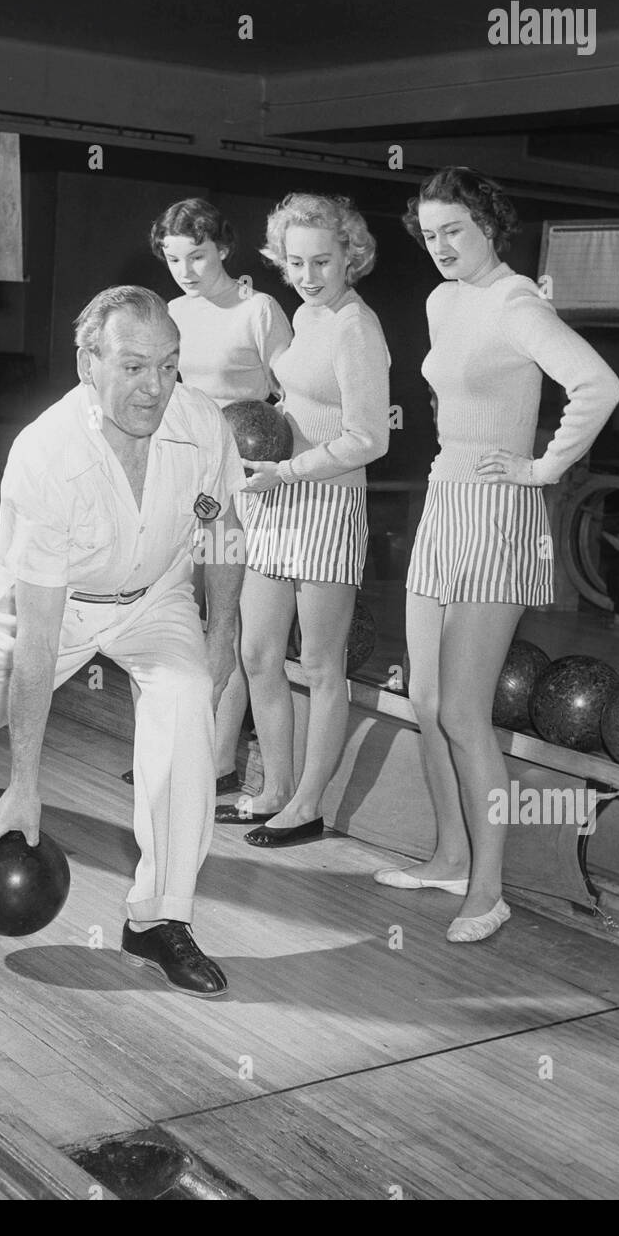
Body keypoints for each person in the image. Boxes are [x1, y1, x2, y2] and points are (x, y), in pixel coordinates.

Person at [0, 286, 245, 998]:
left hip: (156, 595)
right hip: (58, 604)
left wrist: (222, 628)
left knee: (186, 698)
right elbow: (39, 643)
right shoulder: (47, 455)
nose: (155, 387)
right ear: (89, 363)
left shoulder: (201, 424)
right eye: (134, 367)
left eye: (169, 366)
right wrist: (23, 787)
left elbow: (223, 524)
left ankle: (158, 918)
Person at [375, 166, 619, 942]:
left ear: (489, 228)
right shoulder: (441, 300)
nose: (441, 245)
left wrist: (543, 468)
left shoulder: (517, 300)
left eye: (456, 230)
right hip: (444, 500)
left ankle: (488, 890)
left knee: (462, 712)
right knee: (423, 703)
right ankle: (449, 854)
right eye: (430, 232)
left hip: (497, 513)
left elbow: (598, 385)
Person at [227, 192, 391, 847]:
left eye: (321, 261)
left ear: (351, 254)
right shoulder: (306, 312)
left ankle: (306, 805)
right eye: (294, 262)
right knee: (257, 652)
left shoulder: (357, 327)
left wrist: (287, 470)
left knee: (321, 665)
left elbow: (369, 438)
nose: (307, 275)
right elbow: (297, 401)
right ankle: (270, 788)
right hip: (276, 498)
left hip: (325, 503)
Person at [118, 198, 292, 794]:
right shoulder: (169, 313)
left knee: (228, 622)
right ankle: (165, 750)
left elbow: (291, 397)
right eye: (173, 258)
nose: (187, 269)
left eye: (197, 254)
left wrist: (270, 457)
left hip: (240, 487)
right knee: (163, 613)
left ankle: (218, 762)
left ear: (222, 247)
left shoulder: (259, 309)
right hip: (188, 484)